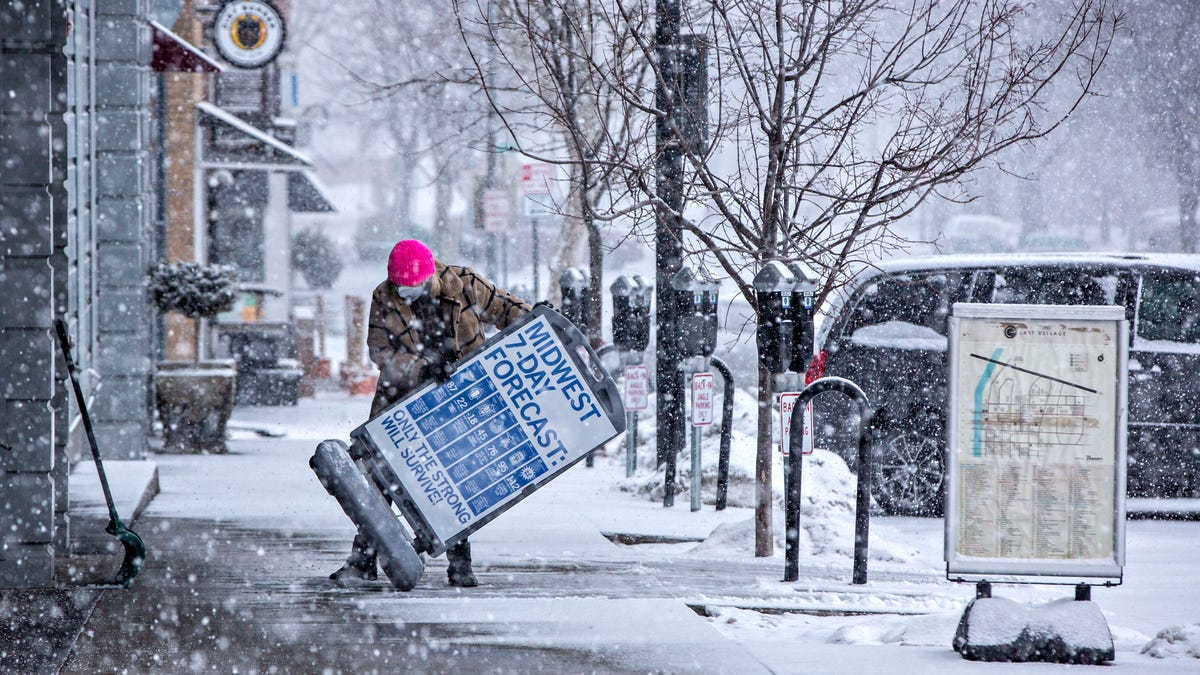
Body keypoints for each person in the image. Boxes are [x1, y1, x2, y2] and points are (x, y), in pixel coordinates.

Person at [330, 239, 531, 587]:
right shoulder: (384, 297)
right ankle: (363, 558)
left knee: (456, 476)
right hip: (404, 398)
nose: (407, 295)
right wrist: (421, 368)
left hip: (462, 398)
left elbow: (503, 308)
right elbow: (380, 352)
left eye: (414, 288)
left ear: (431, 276)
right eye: (401, 289)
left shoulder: (465, 283)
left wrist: (536, 320)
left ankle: (460, 562)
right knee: (382, 476)